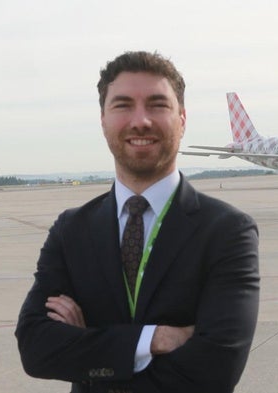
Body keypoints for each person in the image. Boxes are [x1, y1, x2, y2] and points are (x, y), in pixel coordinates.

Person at [15, 51, 260, 393]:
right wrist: (153, 339)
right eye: (123, 105)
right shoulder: (71, 230)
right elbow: (36, 349)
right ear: (103, 119)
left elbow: (214, 370)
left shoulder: (227, 231)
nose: (140, 120)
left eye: (157, 105)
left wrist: (88, 347)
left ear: (182, 119)